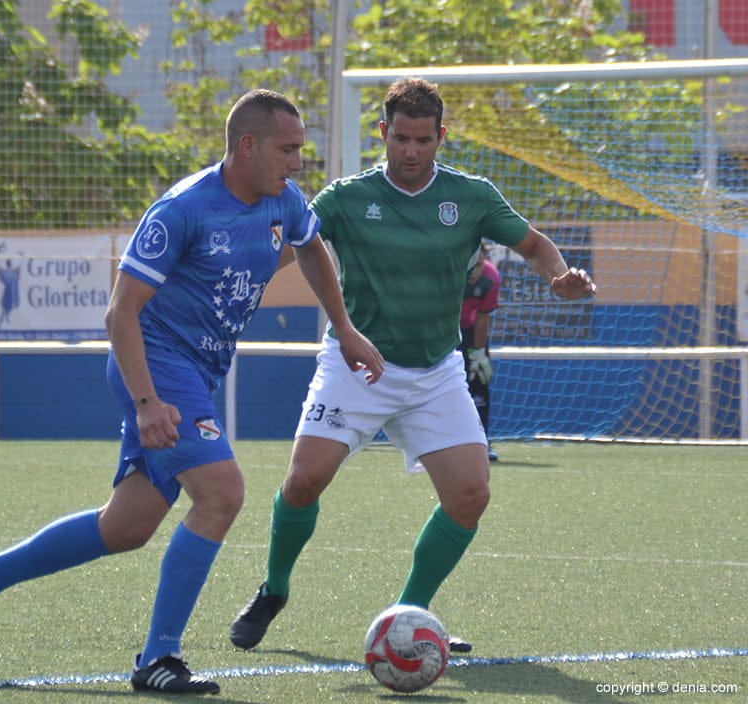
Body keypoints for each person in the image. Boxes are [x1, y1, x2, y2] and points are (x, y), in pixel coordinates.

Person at [0, 89, 382, 696]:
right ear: (247, 145)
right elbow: (120, 313)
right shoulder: (182, 209)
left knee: (128, 526)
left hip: (197, 375)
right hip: (154, 366)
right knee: (222, 495)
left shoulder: (285, 200)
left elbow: (309, 249)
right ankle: (158, 658)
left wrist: (346, 328)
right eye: (289, 148)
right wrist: (147, 403)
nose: (298, 162)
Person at [229, 77, 596, 654]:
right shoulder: (346, 197)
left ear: (440, 137)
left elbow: (534, 244)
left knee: (471, 495)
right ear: (384, 133)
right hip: (358, 364)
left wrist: (560, 276)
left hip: (435, 371)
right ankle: (273, 590)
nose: (411, 151)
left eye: (424, 140)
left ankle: (411, 615)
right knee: (302, 482)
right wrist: (228, 279)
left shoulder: (471, 196)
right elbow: (284, 250)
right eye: (401, 138)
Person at [458, 244, 500, 462]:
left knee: (479, 382)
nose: (475, 272)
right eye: (471, 267)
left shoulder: (491, 278)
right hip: (442, 330)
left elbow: (483, 319)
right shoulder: (450, 273)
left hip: (471, 331)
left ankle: (482, 441)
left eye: (480, 265)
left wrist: (477, 353)